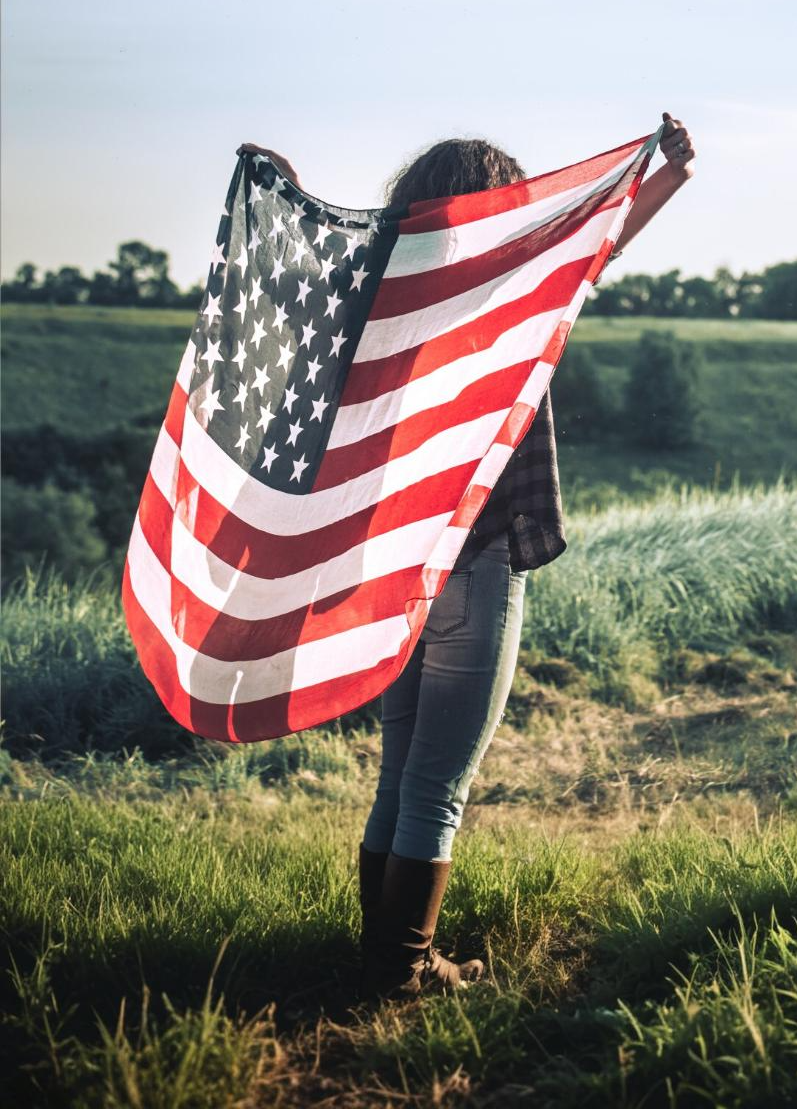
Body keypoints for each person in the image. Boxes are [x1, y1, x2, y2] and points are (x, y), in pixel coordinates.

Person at [241, 115, 696, 997]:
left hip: (393, 574)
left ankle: (382, 960)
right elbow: (594, 250)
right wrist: (661, 174)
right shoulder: (514, 290)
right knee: (436, 790)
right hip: (477, 563)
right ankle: (405, 973)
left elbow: (299, 278)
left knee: (398, 777)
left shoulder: (380, 298)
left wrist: (280, 192)